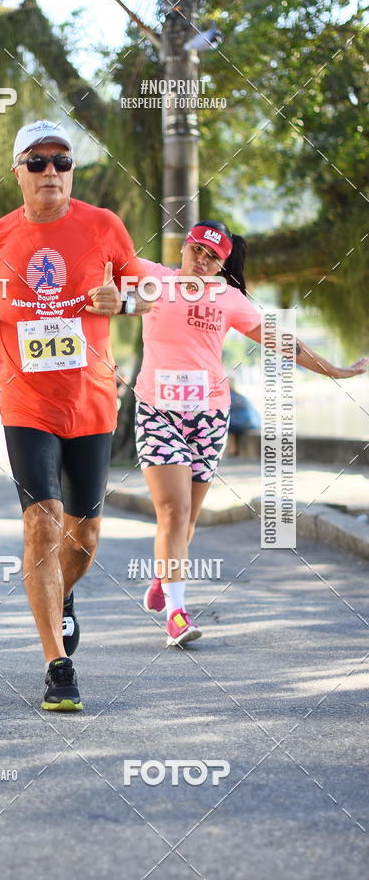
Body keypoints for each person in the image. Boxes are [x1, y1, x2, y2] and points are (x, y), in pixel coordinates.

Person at [0, 119, 149, 711]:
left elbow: (147, 291)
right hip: (25, 403)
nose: (50, 172)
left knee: (83, 536)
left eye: (61, 161)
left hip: (91, 403)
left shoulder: (103, 226)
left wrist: (126, 300)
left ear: (72, 171)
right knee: (42, 520)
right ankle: (56, 665)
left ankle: (61, 597)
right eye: (36, 161)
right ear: (17, 170)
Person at [136, 220, 369, 646]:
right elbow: (99, 255)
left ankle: (162, 577)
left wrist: (336, 371)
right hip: (158, 411)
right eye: (196, 251)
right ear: (184, 248)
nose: (202, 261)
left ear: (222, 264)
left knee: (186, 518)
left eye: (213, 257)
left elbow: (283, 341)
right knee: (171, 511)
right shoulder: (153, 277)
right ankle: (176, 614)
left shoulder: (228, 299)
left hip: (209, 415)